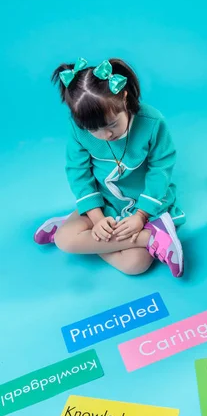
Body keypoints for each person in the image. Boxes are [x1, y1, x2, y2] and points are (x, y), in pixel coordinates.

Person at [34, 58, 185, 277]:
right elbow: (78, 172)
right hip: (104, 203)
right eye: (93, 130)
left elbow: (160, 169)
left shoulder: (152, 122)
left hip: (145, 204)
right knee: (64, 241)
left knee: (135, 264)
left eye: (112, 125)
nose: (106, 136)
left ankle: (82, 235)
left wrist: (141, 216)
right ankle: (151, 238)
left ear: (124, 98)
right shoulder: (78, 129)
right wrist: (97, 219)